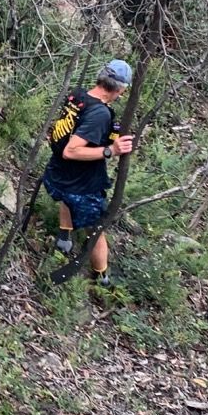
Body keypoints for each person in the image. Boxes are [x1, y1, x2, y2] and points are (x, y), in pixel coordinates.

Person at [43, 60, 137, 284]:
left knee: (66, 199)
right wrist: (110, 150)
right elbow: (71, 151)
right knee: (96, 228)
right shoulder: (100, 114)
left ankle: (64, 237)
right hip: (82, 182)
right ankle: (101, 275)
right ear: (121, 89)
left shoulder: (78, 96)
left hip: (58, 173)